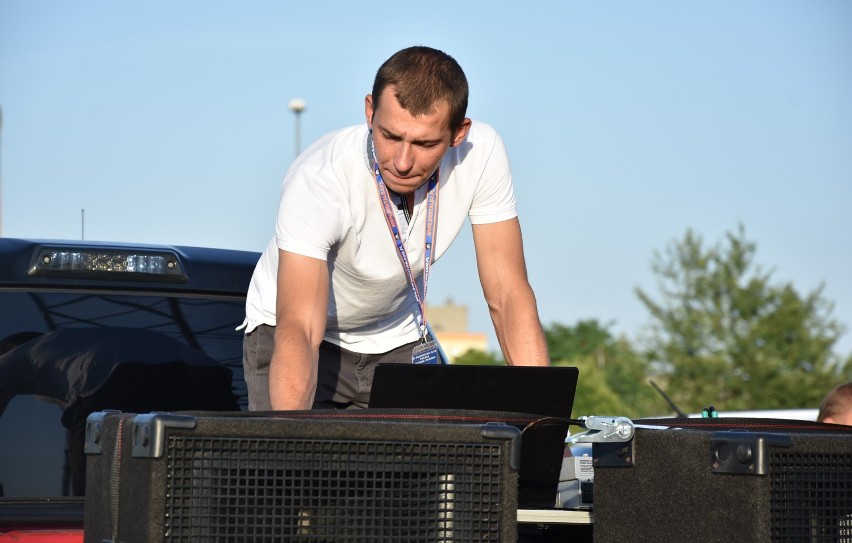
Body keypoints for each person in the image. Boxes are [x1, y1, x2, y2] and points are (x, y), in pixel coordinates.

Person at [242, 46, 549, 412]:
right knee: (297, 467)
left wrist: (543, 421)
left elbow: (508, 292)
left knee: (432, 468)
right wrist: (291, 446)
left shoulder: (481, 153)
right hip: (301, 336)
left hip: (397, 339)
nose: (403, 162)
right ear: (370, 111)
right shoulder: (320, 178)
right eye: (390, 136)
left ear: (458, 133)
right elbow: (301, 328)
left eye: (425, 144)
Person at [0, 327, 239, 494]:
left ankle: (86, 515)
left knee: (92, 475)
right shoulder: (69, 347)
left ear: (10, 347)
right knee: (230, 471)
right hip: (206, 373)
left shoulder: (16, 356)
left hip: (120, 374)